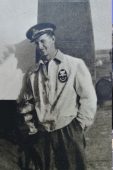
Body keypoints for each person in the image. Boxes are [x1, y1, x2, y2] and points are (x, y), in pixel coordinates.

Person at [17, 23, 97, 170]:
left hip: (68, 129)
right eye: (36, 43)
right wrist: (31, 127)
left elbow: (88, 98)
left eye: (43, 41)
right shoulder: (32, 73)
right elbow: (26, 103)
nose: (40, 46)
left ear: (52, 38)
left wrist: (79, 126)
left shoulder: (74, 64)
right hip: (42, 134)